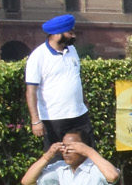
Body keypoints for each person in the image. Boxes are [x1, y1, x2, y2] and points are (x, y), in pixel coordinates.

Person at [24, 14, 90, 142]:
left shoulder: (72, 50)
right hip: (54, 118)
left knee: (87, 156)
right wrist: (35, 120)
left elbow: (75, 79)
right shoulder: (38, 56)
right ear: (57, 34)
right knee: (58, 158)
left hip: (79, 115)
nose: (73, 36)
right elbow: (31, 90)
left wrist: (83, 101)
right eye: (70, 32)